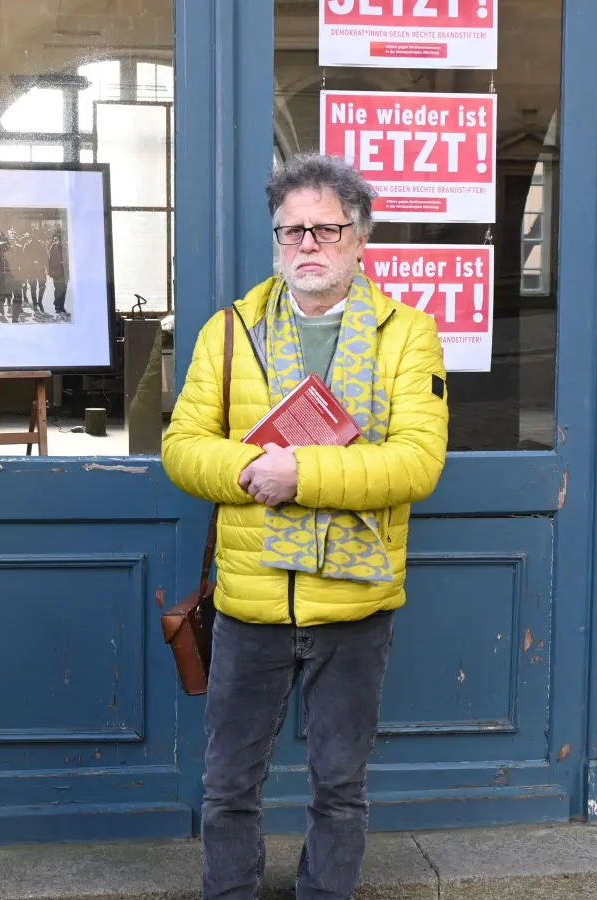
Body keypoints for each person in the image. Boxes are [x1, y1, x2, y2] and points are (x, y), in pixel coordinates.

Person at [162, 152, 449, 900]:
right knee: (228, 787)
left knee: (340, 788)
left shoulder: (407, 336)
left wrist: (302, 475)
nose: (308, 246)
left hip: (354, 605)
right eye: (292, 232)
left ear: (360, 237)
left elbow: (417, 463)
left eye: (326, 229)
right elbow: (182, 448)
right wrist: (250, 470)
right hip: (250, 603)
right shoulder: (229, 333)